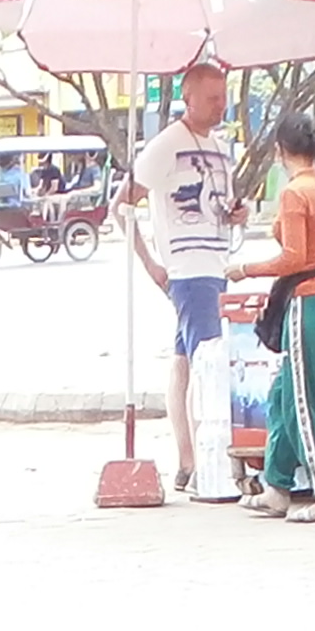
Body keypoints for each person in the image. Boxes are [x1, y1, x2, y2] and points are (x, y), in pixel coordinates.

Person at [116, 58, 239, 500]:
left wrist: (236, 214)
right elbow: (122, 204)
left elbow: (220, 202)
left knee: (186, 360)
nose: (219, 107)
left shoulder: (221, 147)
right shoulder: (167, 144)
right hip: (188, 267)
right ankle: (202, 458)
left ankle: (188, 459)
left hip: (216, 258)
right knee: (207, 361)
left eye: (223, 98)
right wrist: (151, 262)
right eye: (211, 99)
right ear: (187, 98)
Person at [236, 105, 315, 523]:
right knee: (284, 394)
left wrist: (244, 270)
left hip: (309, 301)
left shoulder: (293, 192)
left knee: (303, 403)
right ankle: (277, 484)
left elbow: (294, 257)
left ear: (279, 150)